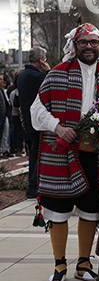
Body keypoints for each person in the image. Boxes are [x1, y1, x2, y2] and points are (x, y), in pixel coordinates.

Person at [31, 23, 99, 281]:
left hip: (96, 153)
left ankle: (83, 264)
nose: (89, 47)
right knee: (57, 209)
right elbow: (36, 111)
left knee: (90, 209)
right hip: (59, 152)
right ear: (75, 45)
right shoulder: (56, 74)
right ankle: (59, 264)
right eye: (84, 42)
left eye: (94, 42)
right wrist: (58, 127)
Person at [17, 48, 49, 198]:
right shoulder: (37, 76)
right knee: (38, 154)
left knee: (33, 154)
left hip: (27, 121)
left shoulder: (23, 75)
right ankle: (33, 187)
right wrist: (48, 72)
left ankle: (32, 186)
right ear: (41, 60)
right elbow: (51, 88)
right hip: (37, 121)